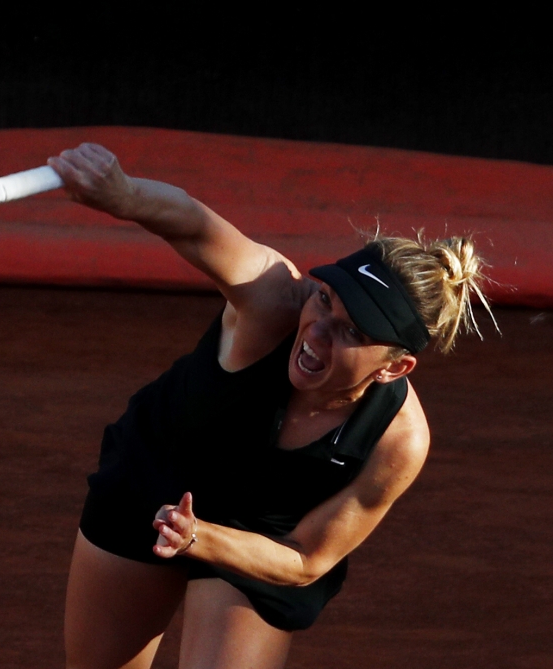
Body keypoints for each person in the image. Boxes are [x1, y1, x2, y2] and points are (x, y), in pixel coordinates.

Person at [47, 143, 496, 669]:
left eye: (352, 331)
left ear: (395, 368)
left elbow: (307, 558)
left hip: (265, 541)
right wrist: (123, 194)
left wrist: (201, 537)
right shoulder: (274, 299)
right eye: (326, 298)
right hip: (155, 478)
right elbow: (195, 224)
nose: (317, 331)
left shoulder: (398, 440)